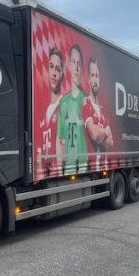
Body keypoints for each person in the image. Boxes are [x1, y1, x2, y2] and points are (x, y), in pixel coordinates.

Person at [57, 44, 88, 173]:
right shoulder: (63, 102)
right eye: (74, 62)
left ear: (82, 69)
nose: (76, 67)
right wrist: (59, 168)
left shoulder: (87, 100)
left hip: (85, 165)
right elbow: (60, 140)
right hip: (68, 166)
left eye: (79, 63)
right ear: (69, 65)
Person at [37, 47, 64, 179]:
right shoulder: (45, 110)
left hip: (56, 172)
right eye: (51, 67)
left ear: (62, 74)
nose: (54, 73)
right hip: (46, 172)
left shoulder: (64, 106)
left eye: (58, 69)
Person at [82, 57, 113, 170]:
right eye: (92, 75)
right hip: (91, 167)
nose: (95, 79)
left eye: (97, 76)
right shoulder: (86, 104)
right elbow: (94, 134)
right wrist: (105, 131)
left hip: (103, 166)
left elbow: (110, 142)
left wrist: (100, 133)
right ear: (89, 79)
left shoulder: (103, 109)